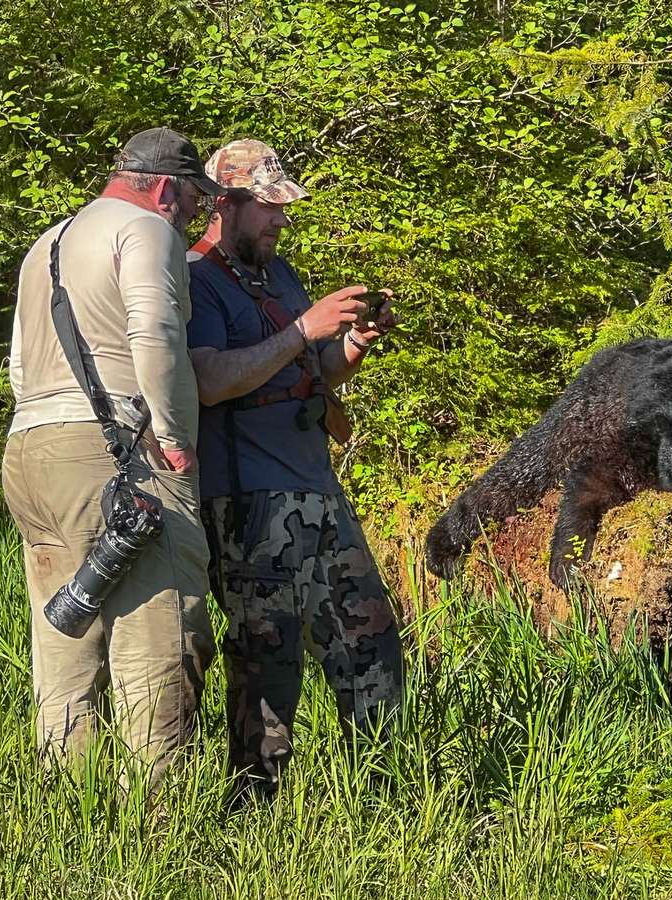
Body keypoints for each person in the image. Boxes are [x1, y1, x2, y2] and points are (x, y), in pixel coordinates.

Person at [2, 127, 222, 789]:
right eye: (191, 201)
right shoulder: (147, 230)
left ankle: (68, 817)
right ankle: (154, 833)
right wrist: (175, 436)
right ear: (164, 189)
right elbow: (153, 331)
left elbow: (16, 367)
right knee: (160, 637)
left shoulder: (48, 244)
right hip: (120, 450)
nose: (194, 216)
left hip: (31, 451)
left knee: (65, 639)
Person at [186, 138, 403, 803]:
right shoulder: (194, 279)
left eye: (284, 208)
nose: (282, 221)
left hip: (317, 491)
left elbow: (313, 368)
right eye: (269, 208)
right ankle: (254, 815)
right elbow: (211, 381)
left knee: (374, 645)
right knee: (267, 665)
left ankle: (386, 801)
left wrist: (353, 344)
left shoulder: (279, 275)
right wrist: (302, 331)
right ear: (226, 204)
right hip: (247, 503)